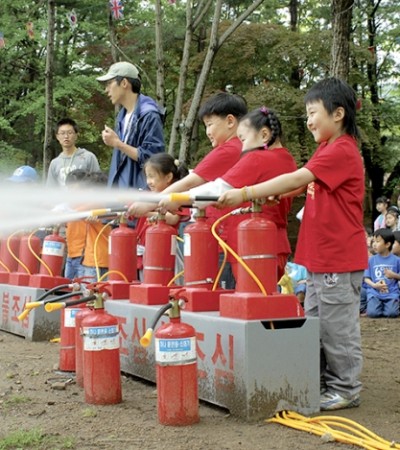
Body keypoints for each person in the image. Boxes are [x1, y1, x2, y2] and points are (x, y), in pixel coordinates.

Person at [217, 77, 368, 411]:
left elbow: (300, 177)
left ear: (338, 114)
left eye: (313, 113)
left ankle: (346, 388)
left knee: (336, 328)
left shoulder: (342, 150)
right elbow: (303, 184)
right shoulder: (326, 149)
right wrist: (278, 193)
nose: (309, 120)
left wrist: (246, 192)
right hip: (319, 259)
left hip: (337, 259)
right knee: (314, 323)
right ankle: (324, 382)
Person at [160, 106, 297, 283]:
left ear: (264, 135)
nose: (242, 148)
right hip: (274, 243)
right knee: (266, 299)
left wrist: (177, 199)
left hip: (251, 245)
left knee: (248, 302)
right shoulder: (286, 159)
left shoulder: (258, 158)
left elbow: (218, 189)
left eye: (244, 139)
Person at [128, 91, 248, 287]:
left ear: (230, 121)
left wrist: (149, 202)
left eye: (210, 125)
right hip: (228, 238)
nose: (208, 131)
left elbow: (190, 182)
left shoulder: (228, 150)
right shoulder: (239, 149)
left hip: (226, 240)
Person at [96, 61, 165, 189]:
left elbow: (154, 159)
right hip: (121, 194)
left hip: (139, 195)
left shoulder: (149, 115)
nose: (106, 90)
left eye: (109, 83)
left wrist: (117, 143)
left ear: (124, 83)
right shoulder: (122, 116)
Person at [131, 153, 190, 280]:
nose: (148, 182)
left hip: (164, 254)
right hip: (144, 253)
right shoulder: (147, 196)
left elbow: (173, 218)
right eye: (147, 177)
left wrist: (146, 211)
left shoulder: (176, 197)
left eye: (152, 177)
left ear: (168, 177)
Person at [46, 118, 100, 187]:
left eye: (70, 133)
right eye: (62, 133)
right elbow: (51, 190)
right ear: (57, 136)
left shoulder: (88, 157)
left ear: (76, 135)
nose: (66, 136)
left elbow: (98, 184)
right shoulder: (55, 163)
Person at [363, 228, 400, 318]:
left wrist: (393, 275)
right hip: (374, 293)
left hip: (391, 293)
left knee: (392, 313)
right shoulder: (371, 260)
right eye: (373, 241)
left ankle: (387, 307)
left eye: (378, 241)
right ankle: (374, 306)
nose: (374, 244)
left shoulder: (397, 260)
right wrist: (375, 285)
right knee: (373, 313)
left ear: (387, 244)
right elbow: (366, 278)